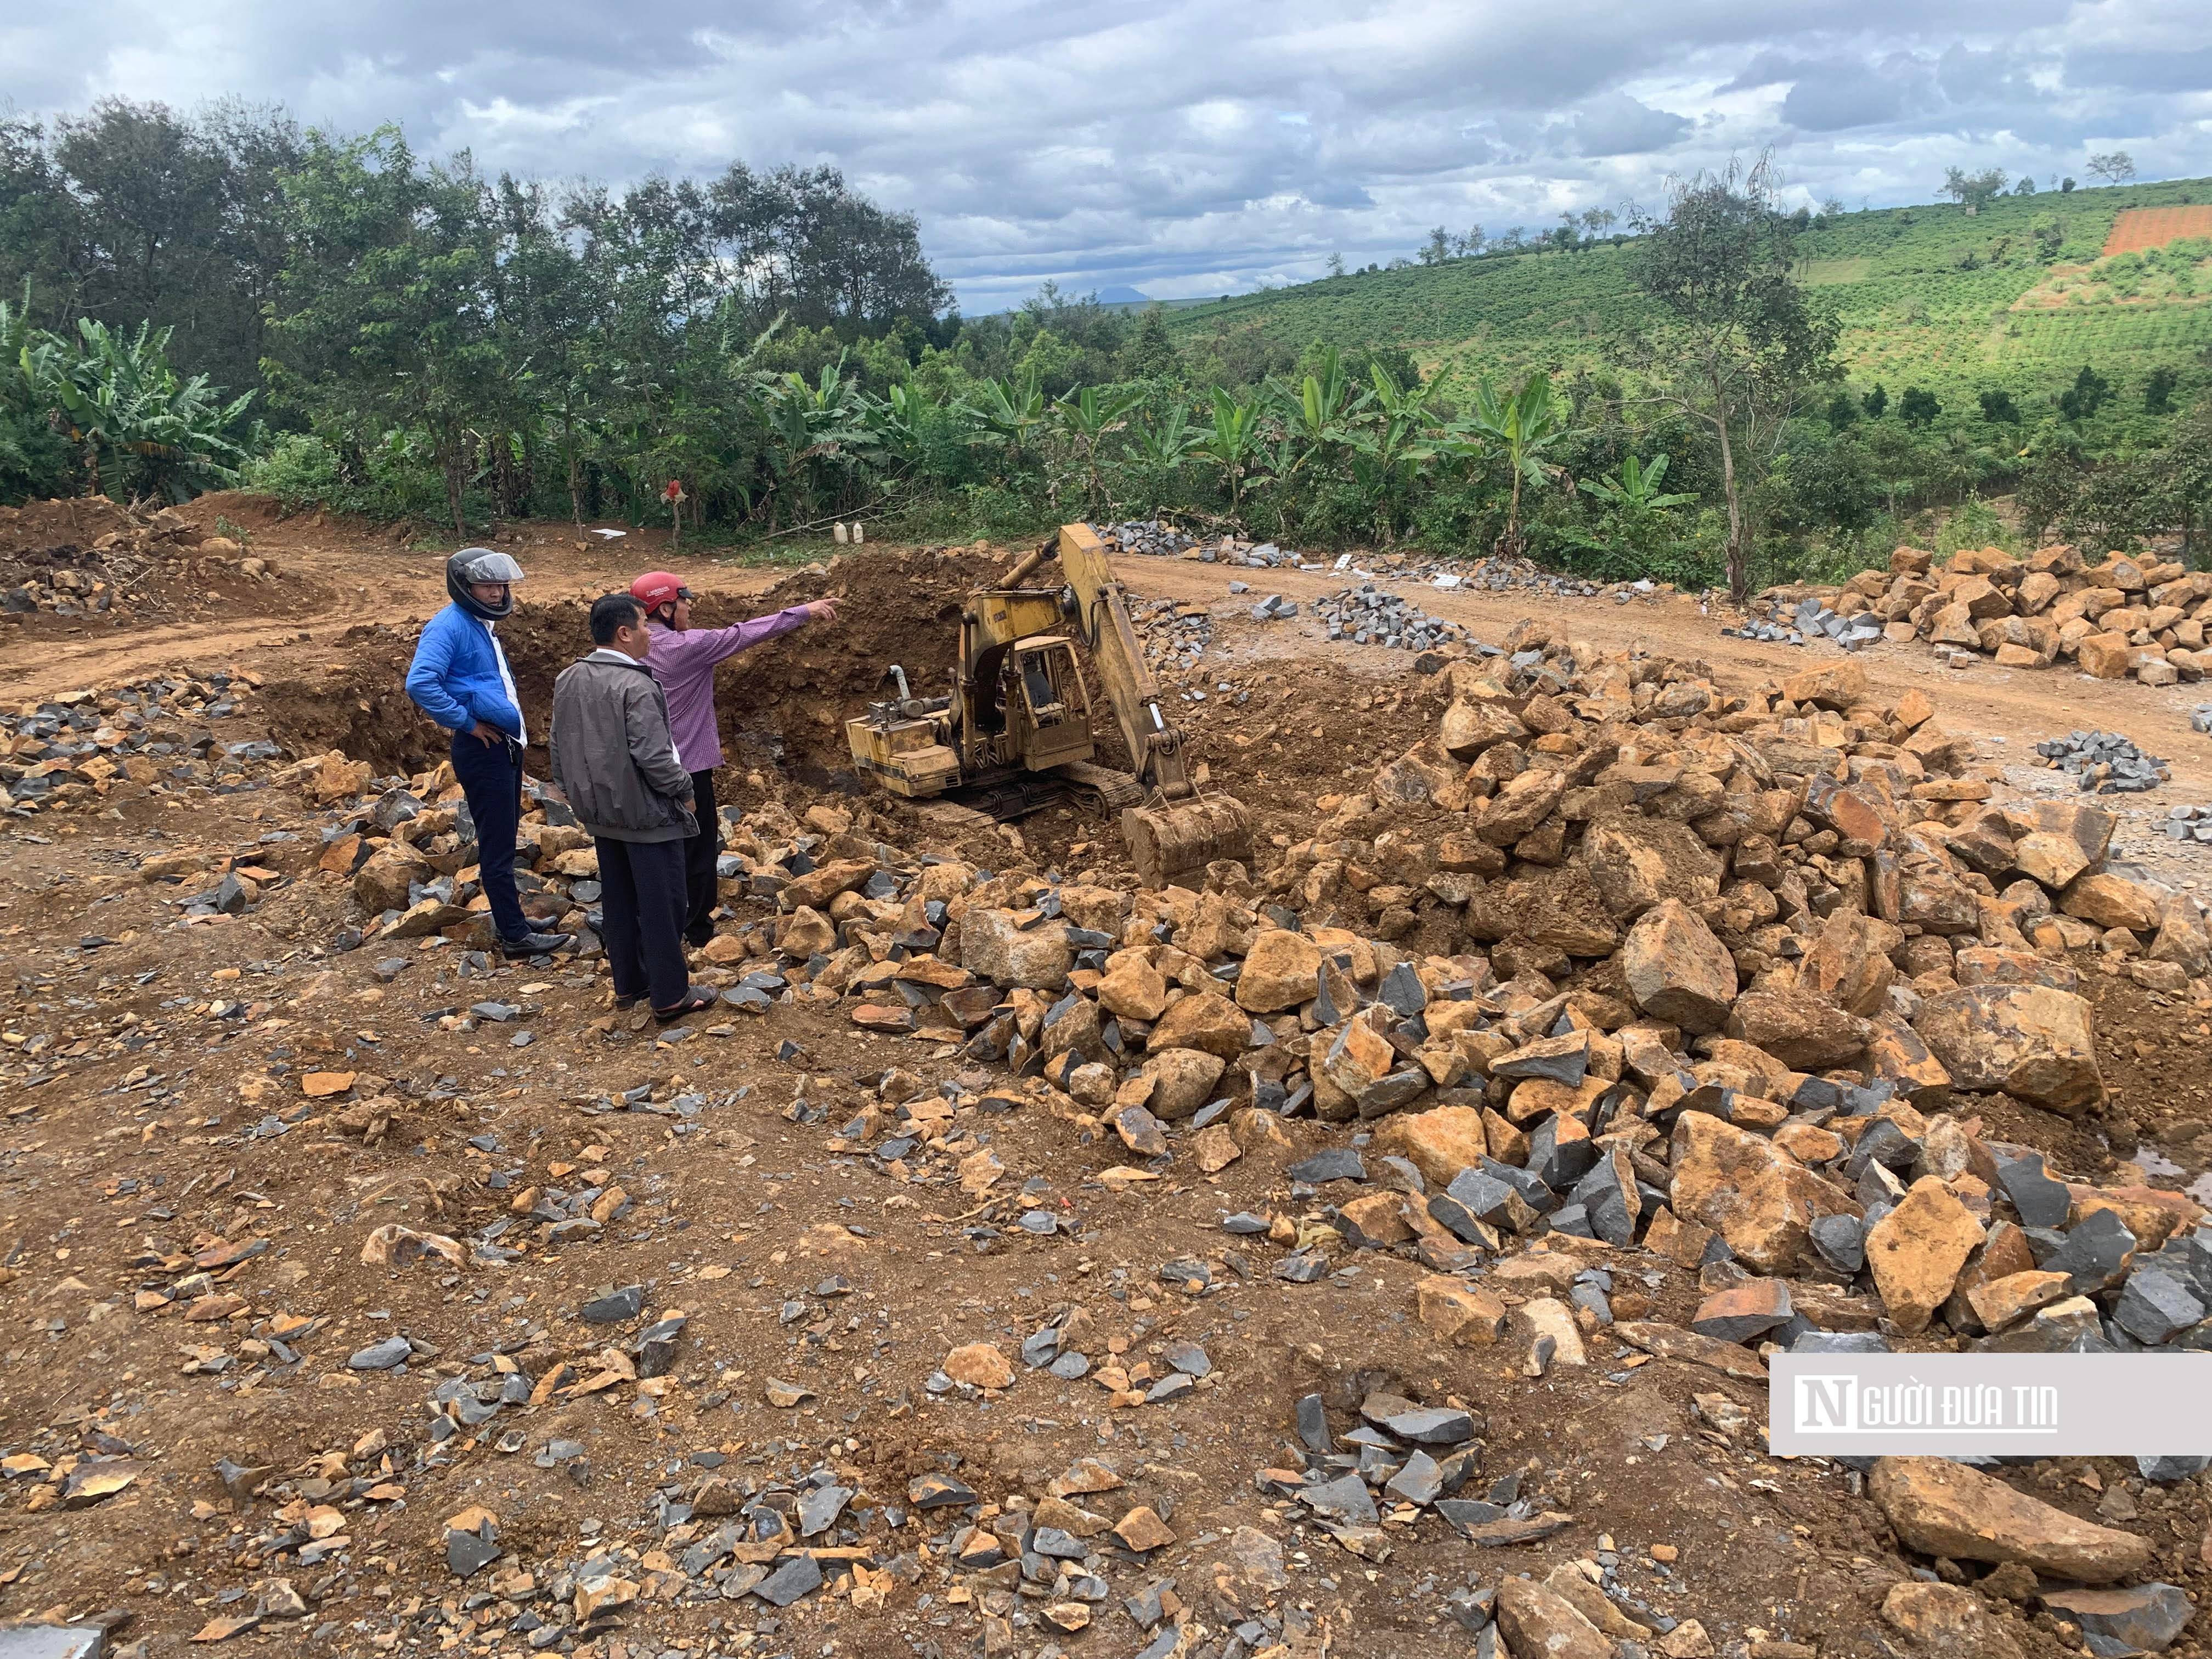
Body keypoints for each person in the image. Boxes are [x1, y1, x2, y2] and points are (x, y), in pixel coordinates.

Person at [629, 572, 837, 946]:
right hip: (688, 770)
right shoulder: (688, 647)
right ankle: (696, 931)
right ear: (664, 607)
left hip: (642, 769)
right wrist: (804, 611)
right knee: (698, 850)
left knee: (657, 851)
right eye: (684, 600)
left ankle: (651, 926)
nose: (691, 607)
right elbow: (745, 632)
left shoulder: (628, 652)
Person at [549, 593, 716, 1023]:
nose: (649, 634)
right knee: (664, 904)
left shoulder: (570, 677)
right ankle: (670, 995)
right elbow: (655, 756)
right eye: (643, 626)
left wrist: (575, 795)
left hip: (602, 815)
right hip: (646, 815)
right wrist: (683, 791)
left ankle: (630, 985)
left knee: (620, 901)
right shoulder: (637, 684)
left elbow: (558, 745)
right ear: (623, 633)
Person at [404, 549, 573, 960]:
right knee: (497, 845)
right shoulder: (449, 626)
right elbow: (421, 683)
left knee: (504, 837)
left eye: (501, 586)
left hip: (502, 745)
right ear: (464, 586)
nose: (498, 593)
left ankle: (512, 920)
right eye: (488, 585)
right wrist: (466, 722)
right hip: (483, 748)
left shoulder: (478, 624)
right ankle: (515, 936)